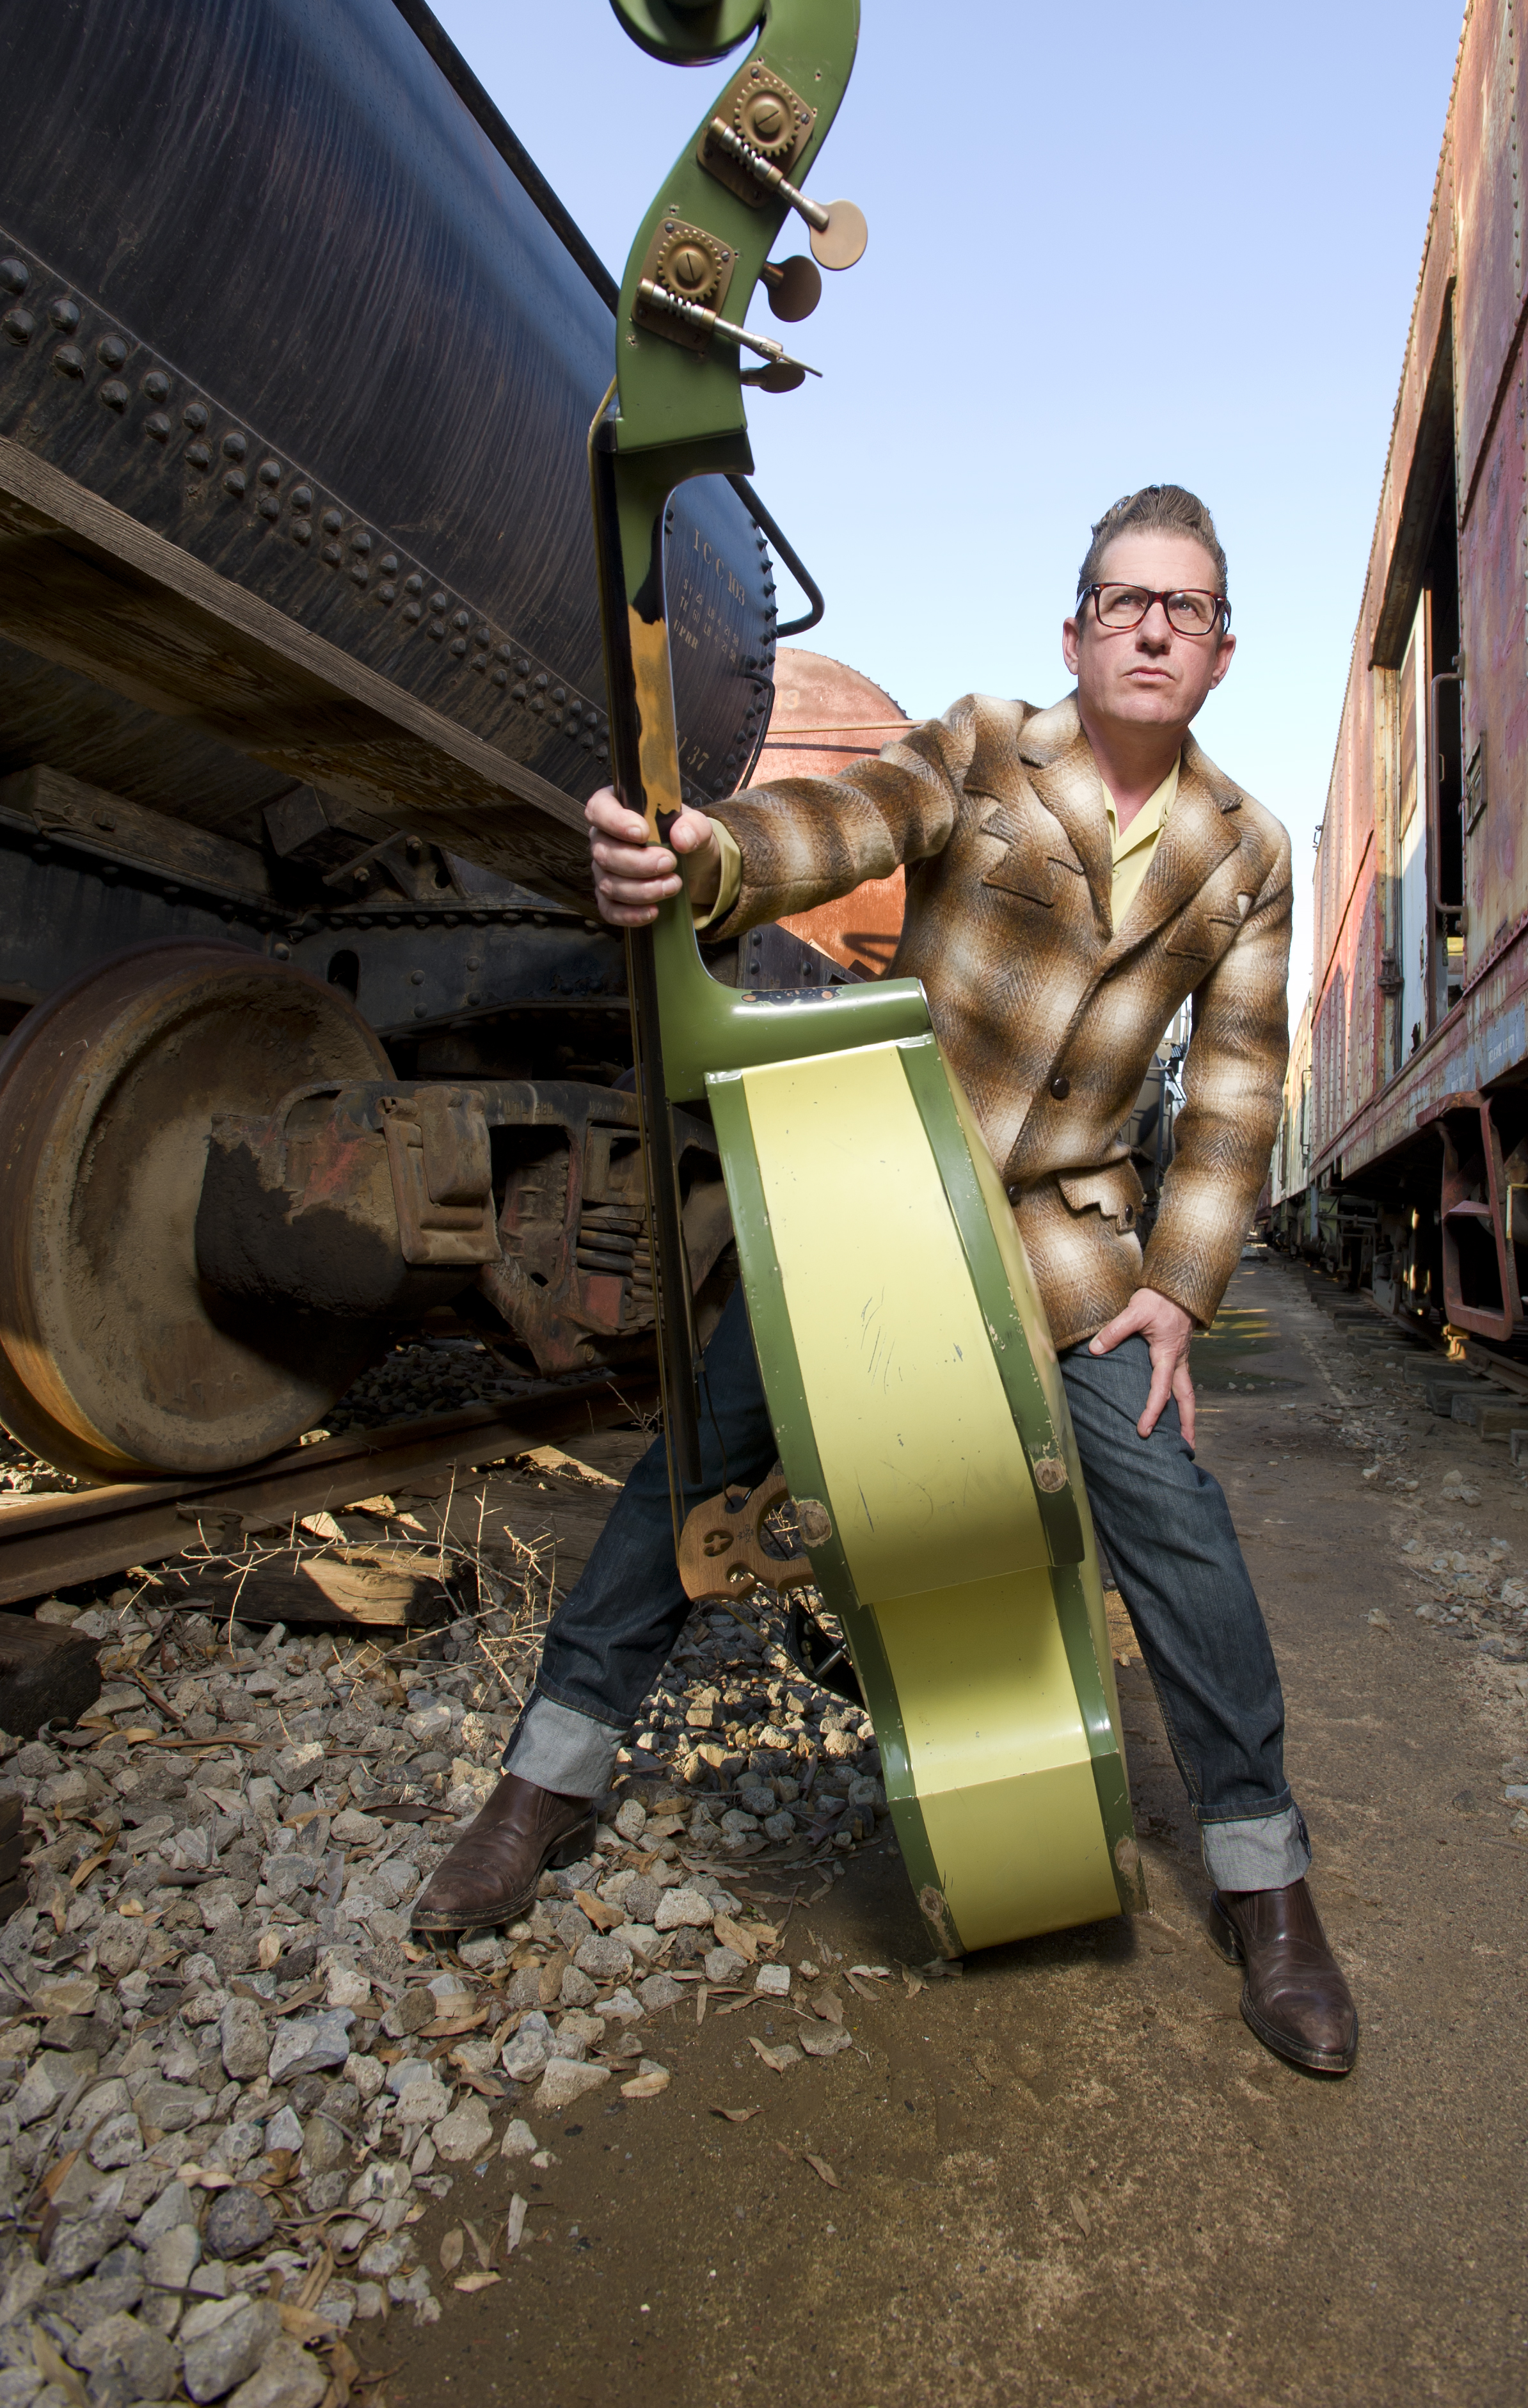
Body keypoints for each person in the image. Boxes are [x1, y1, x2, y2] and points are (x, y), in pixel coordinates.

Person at [416, 483, 1358, 2077]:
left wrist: (1182, 1293)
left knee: (1181, 1529)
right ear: (1074, 632)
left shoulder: (1249, 851)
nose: (1149, 626)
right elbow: (837, 825)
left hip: (1072, 1246)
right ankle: (542, 1788)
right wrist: (709, 860)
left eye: (1181, 609)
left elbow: (1241, 1097)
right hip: (885, 1200)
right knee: (692, 1471)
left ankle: (1269, 1891)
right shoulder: (985, 744)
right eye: (1123, 600)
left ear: (1218, 654)